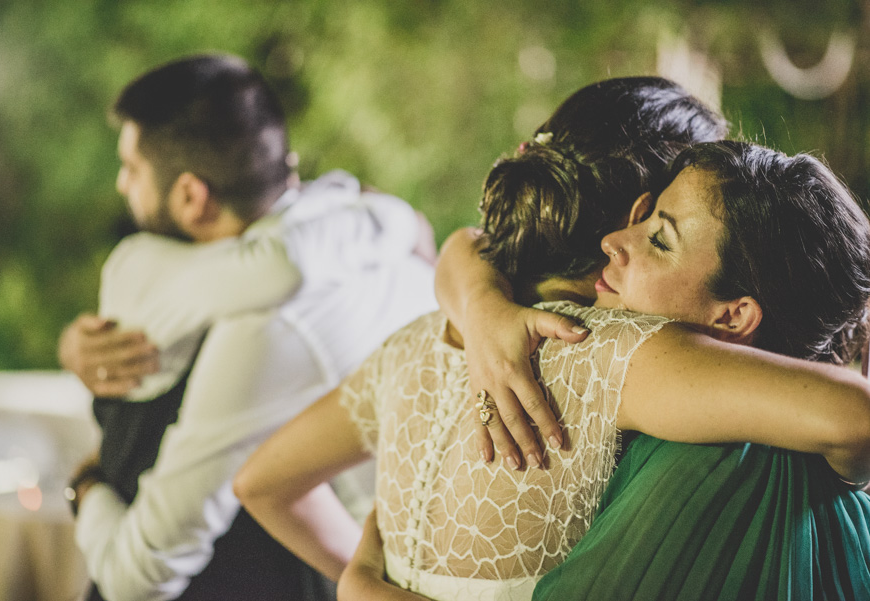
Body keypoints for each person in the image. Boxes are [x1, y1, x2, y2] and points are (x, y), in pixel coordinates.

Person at [236, 79, 870, 598]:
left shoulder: (416, 344)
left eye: (658, 231)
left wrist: (364, 578)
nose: (622, 241)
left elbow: (259, 483)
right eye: (645, 219)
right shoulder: (614, 351)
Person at [58, 54, 438, 601]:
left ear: (191, 196)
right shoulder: (358, 226)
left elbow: (138, 576)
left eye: (132, 169)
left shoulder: (266, 329)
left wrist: (84, 489)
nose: (121, 184)